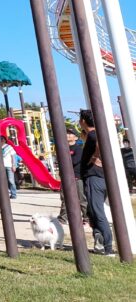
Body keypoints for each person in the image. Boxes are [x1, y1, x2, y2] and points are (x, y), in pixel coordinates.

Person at [79, 109, 114, 255]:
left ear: (83, 121)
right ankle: (100, 244)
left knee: (97, 212)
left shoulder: (93, 135)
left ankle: (108, 247)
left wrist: (93, 157)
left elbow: (96, 148)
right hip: (100, 177)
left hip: (94, 177)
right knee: (93, 212)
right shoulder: (94, 134)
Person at [58, 129, 87, 224]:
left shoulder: (78, 149)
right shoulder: (62, 148)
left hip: (76, 177)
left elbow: (74, 161)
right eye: (67, 133)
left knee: (81, 199)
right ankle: (62, 218)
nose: (68, 135)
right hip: (65, 177)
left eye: (71, 134)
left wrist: (65, 161)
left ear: (76, 137)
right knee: (64, 198)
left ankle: (87, 218)